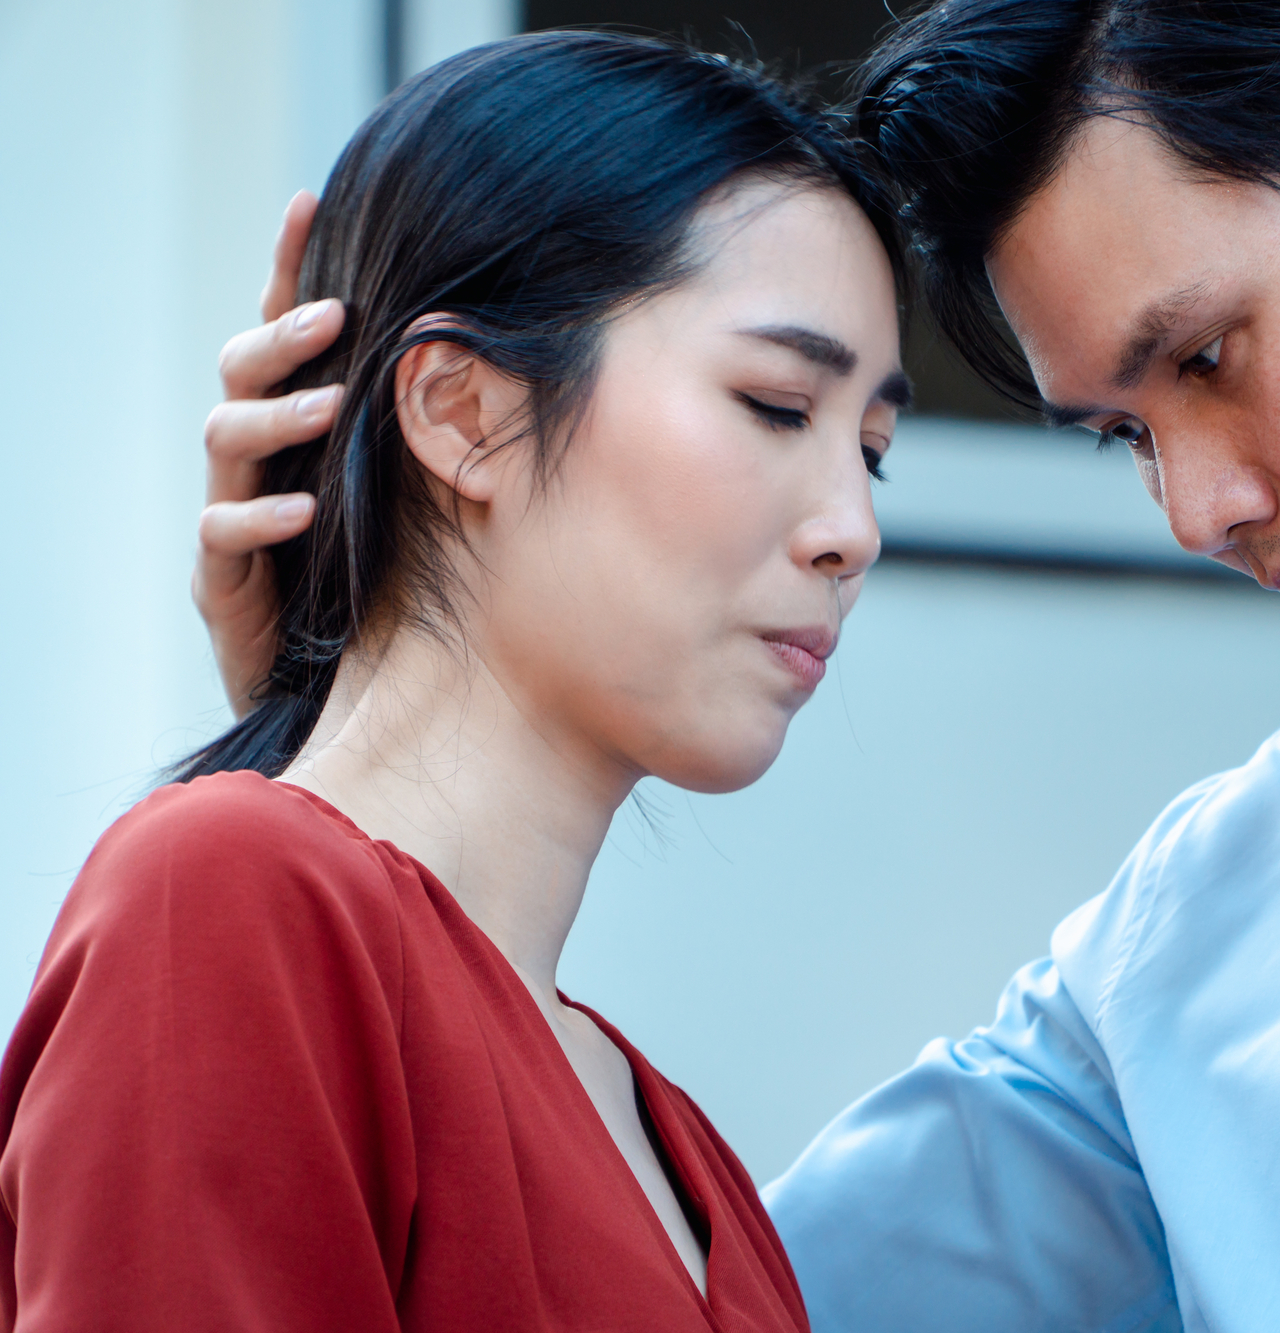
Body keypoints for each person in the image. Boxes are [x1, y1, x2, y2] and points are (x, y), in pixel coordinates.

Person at [196, 0, 1280, 1329]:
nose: (1199, 505)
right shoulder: (1213, 907)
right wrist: (367, 713)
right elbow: (663, 1291)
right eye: (1123, 437)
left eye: (1207, 357)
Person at [0, 30, 909, 1332]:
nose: (851, 530)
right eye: (775, 403)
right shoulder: (223, 897)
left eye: (872, 451)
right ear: (462, 412)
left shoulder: (685, 1156)